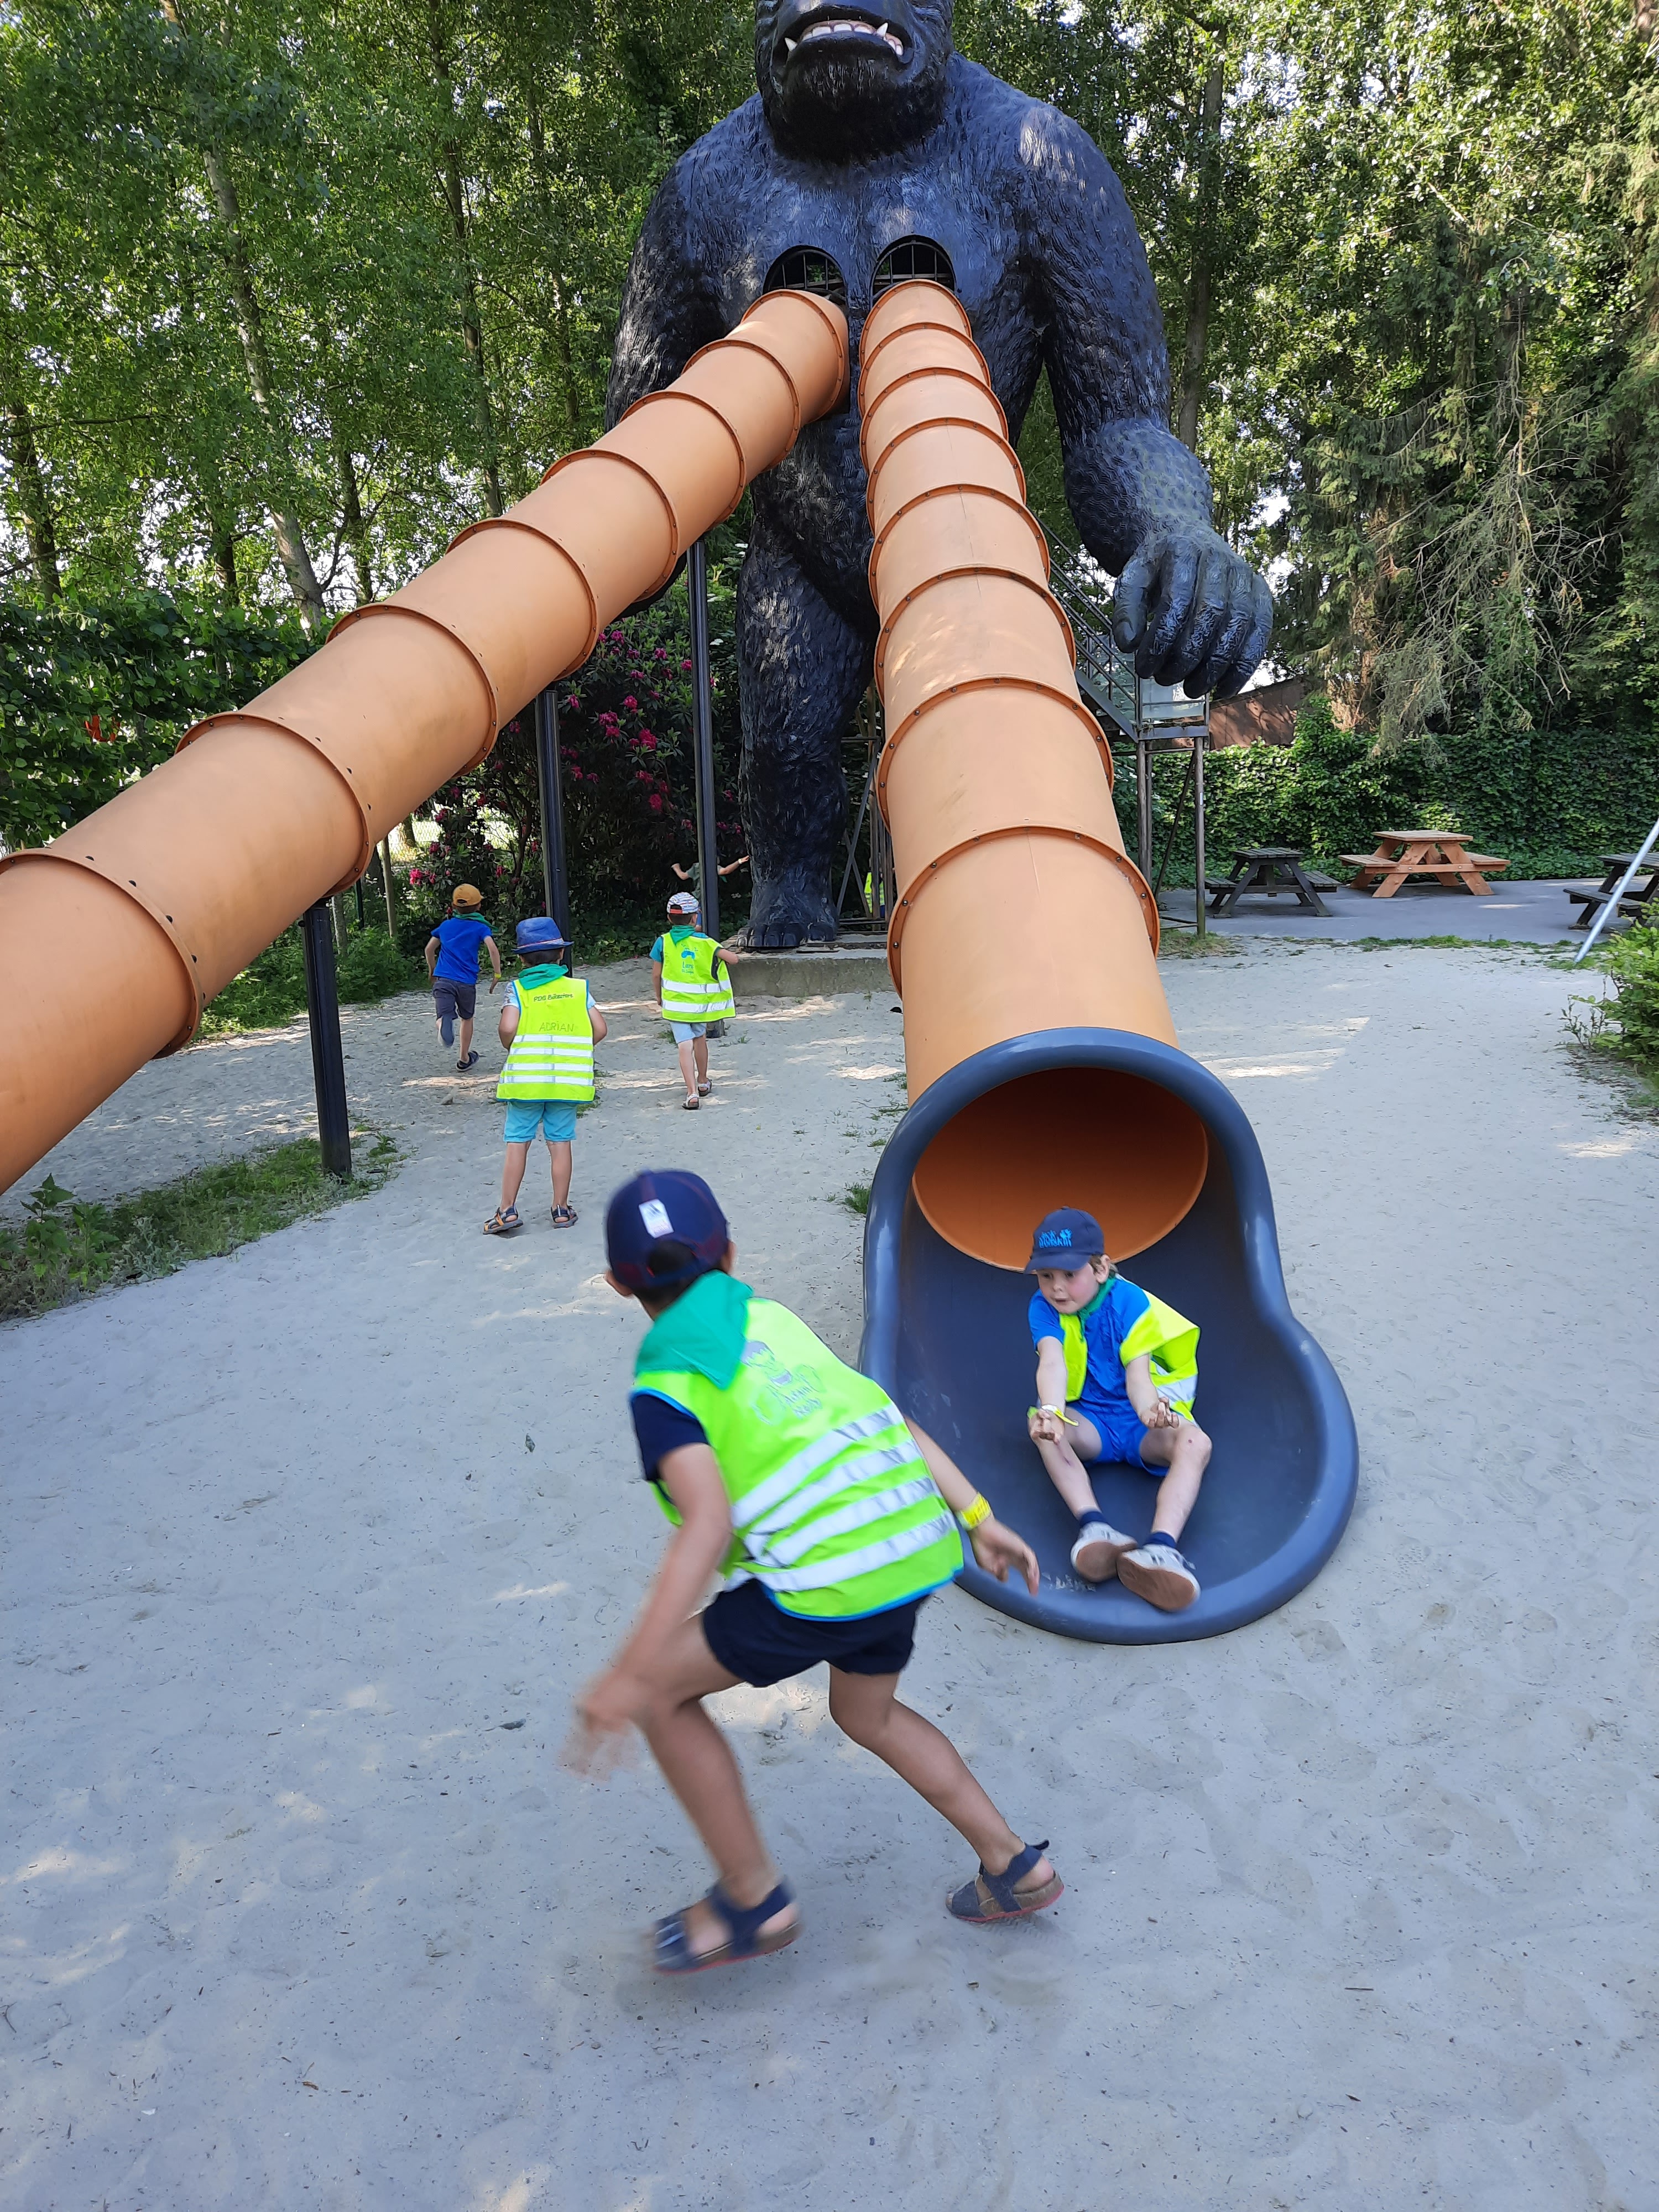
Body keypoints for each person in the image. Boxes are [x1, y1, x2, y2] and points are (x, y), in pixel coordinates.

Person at [568, 1169, 1063, 1972]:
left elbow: (707, 1525)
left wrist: (626, 1672)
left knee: (659, 1692)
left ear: (622, 1287)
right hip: (910, 1547)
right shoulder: (775, 1322)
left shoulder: (664, 1386)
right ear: (731, 1255)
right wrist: (980, 1516)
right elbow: (889, 1416)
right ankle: (1013, 1864)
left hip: (829, 1577)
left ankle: (752, 1898)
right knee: (869, 1715)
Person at [1025, 1206, 1211, 1611]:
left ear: (1101, 1268)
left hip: (1137, 1423)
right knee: (1041, 1424)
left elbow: (1138, 1376)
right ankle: (1095, 1527)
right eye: (1046, 1276)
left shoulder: (1129, 1302)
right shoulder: (1043, 1307)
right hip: (1090, 1424)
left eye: (1069, 1274)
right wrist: (1052, 1411)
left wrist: (1151, 1413)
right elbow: (1052, 1362)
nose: (1057, 1288)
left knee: (1196, 1442)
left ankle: (1161, 1549)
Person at [484, 918, 607, 1234]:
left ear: (522, 960)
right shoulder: (578, 989)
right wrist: (575, 1050)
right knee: (560, 1141)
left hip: (526, 1082)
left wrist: (511, 1045)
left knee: (518, 1141)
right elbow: (600, 1028)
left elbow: (508, 1027)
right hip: (566, 1081)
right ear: (561, 954)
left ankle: (507, 1210)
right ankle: (561, 1209)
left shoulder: (517, 990)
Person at [650, 892, 735, 1110]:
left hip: (675, 1006)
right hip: (699, 1006)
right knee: (700, 1039)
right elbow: (733, 959)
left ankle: (691, 1093)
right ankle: (703, 1081)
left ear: (669, 918)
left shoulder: (663, 942)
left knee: (684, 1045)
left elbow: (656, 975)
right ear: (695, 917)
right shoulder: (705, 942)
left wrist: (659, 996)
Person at [424, 885, 500, 1072]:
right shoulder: (480, 927)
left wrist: (432, 969)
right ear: (479, 906)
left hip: (443, 980)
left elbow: (429, 949)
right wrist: (497, 973)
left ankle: (443, 1023)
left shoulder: (446, 926)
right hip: (466, 983)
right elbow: (492, 949)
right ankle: (464, 1058)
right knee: (467, 1018)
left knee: (443, 1014)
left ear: (454, 906)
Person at [671, 854, 748, 897]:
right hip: (706, 897)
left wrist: (676, 867)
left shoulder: (698, 866)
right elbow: (726, 871)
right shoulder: (711, 866)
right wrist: (740, 861)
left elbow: (683, 876)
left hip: (696, 896)